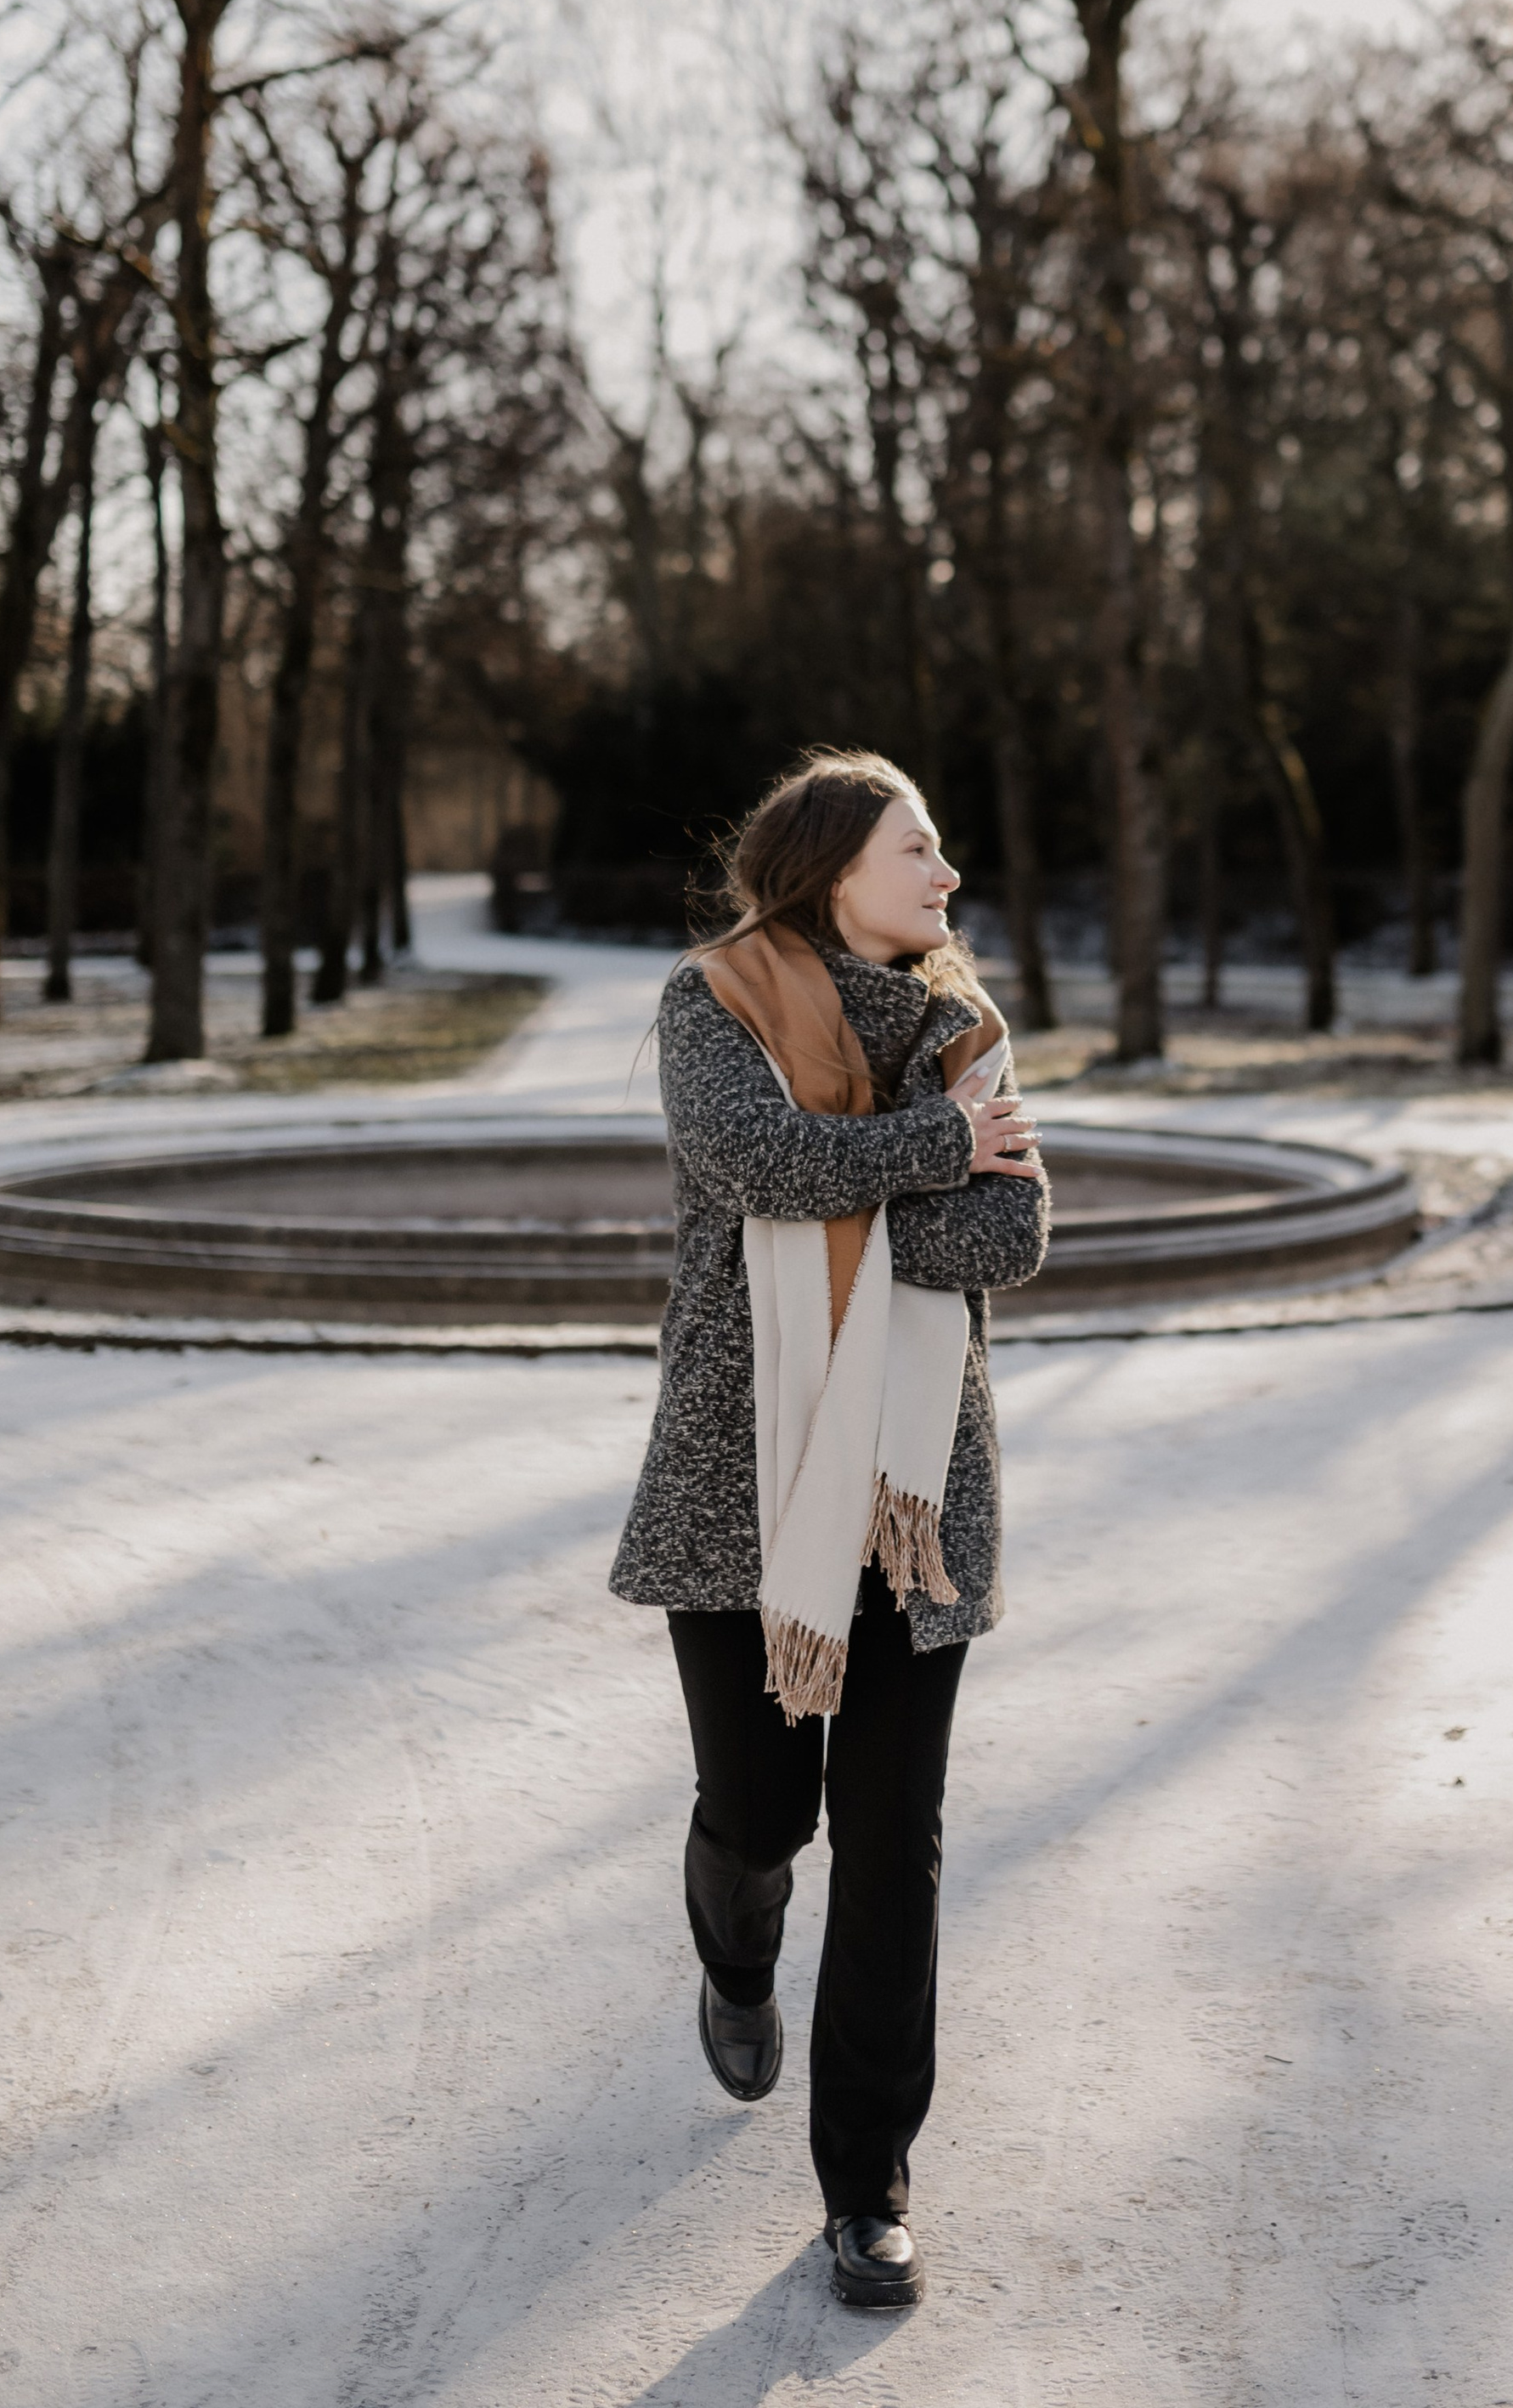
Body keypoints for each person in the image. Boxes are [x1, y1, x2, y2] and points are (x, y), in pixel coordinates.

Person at [610, 748, 1049, 2311]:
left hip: (915, 1499)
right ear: (832, 865)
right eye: (918, 849)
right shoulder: (714, 1003)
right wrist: (933, 1154)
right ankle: (737, 1946)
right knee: (762, 1812)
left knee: (893, 1848)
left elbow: (1017, 1229)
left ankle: (868, 2187)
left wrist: (889, 1183)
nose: (946, 878)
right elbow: (762, 1164)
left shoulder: (961, 1027)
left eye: (941, 854)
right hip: (742, 1483)